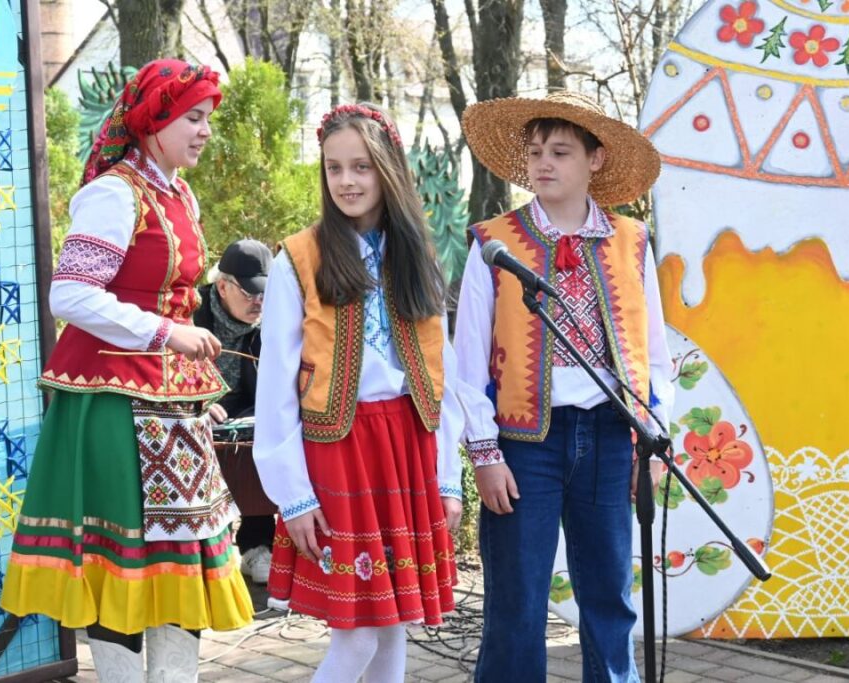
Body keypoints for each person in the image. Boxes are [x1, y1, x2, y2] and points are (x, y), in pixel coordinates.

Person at [0, 59, 253, 680]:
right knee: (122, 562)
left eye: (207, 119)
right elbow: (70, 295)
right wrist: (167, 332)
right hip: (114, 405)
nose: (204, 130)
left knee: (180, 561)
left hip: (172, 409)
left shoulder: (178, 194)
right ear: (152, 121)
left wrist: (191, 377)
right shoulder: (114, 194)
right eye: (192, 117)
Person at [454, 90, 675, 682]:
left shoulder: (631, 241)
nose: (543, 164)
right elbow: (467, 363)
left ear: (595, 159)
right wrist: (484, 453)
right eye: (534, 153)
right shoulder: (493, 244)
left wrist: (653, 440)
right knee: (517, 600)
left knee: (610, 595)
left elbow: (654, 353)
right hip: (524, 444)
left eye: (560, 152)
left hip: (611, 435)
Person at [252, 103, 464, 683]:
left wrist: (448, 476)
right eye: (334, 168)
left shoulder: (416, 255)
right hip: (338, 450)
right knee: (359, 636)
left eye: (361, 167)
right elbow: (275, 385)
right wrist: (293, 495)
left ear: (388, 170)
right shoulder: (298, 259)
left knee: (392, 625)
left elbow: (442, 373)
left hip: (406, 445)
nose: (346, 181)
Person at [194, 239, 277, 584]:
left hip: (246, 411)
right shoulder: (191, 313)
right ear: (223, 286)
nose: (259, 302)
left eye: (264, 293)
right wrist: (200, 404)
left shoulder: (272, 322)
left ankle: (257, 545)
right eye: (250, 293)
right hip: (196, 411)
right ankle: (210, 548)